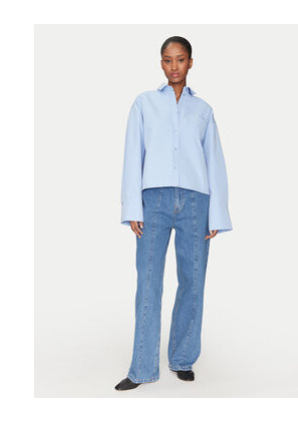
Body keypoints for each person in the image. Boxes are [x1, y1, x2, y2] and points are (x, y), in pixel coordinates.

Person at [115, 36, 232, 391]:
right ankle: (142, 368)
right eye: (167, 60)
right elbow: (133, 154)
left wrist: (216, 213)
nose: (174, 66)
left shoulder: (203, 110)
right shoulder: (144, 104)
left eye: (180, 59)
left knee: (193, 281)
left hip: (196, 202)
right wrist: (132, 206)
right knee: (148, 282)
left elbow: (214, 161)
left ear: (190, 62)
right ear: (161, 63)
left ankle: (182, 358)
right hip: (154, 201)